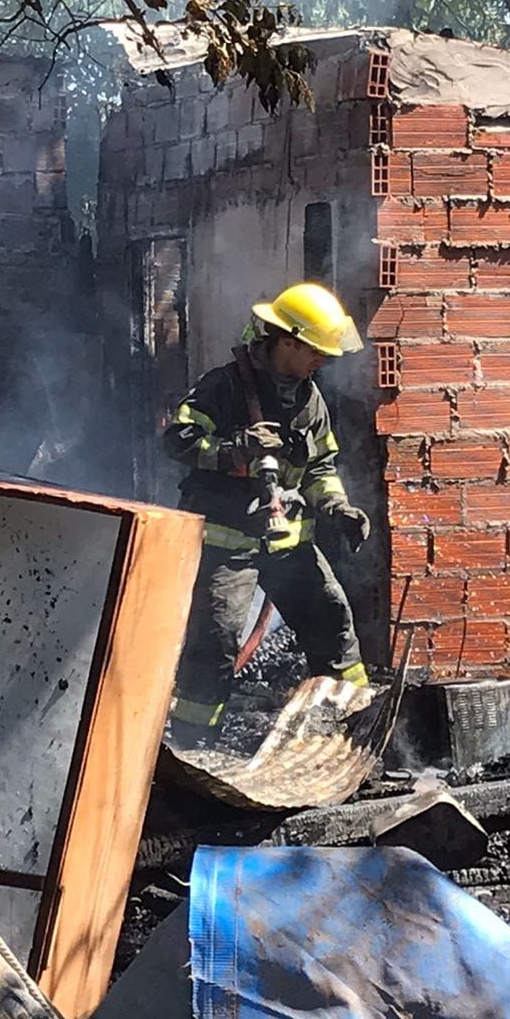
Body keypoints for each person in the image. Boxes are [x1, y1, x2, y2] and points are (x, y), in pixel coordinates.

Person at [163, 281, 372, 745]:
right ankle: (195, 747)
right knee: (214, 641)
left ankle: (356, 729)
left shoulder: (309, 399)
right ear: (287, 342)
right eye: (316, 351)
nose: (325, 361)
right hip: (227, 543)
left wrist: (337, 507)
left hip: (287, 540)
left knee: (331, 619)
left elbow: (319, 465)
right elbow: (175, 440)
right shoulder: (224, 387)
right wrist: (236, 449)